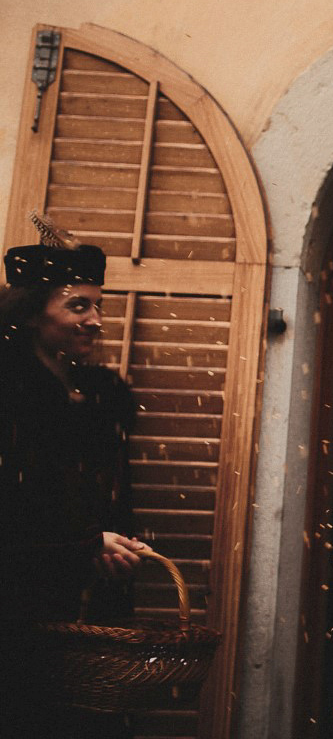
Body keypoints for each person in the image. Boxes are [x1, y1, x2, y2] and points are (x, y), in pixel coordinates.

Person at [0, 219, 147, 737]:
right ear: (34, 313)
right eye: (78, 305)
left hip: (86, 623)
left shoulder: (102, 400)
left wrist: (115, 549)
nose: (97, 320)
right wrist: (83, 546)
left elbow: (110, 503)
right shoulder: (9, 396)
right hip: (15, 622)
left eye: (98, 305)